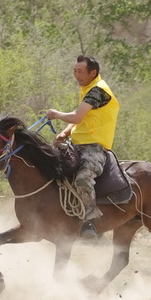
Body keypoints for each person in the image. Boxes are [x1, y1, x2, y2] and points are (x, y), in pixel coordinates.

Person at [46, 55, 120, 239]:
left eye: (80, 72)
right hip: (76, 144)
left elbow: (77, 116)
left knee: (82, 179)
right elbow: (80, 118)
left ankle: (90, 221)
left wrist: (56, 114)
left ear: (92, 72)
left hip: (94, 147)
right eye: (74, 71)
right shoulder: (87, 89)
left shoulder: (98, 91)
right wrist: (65, 133)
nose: (76, 75)